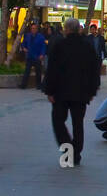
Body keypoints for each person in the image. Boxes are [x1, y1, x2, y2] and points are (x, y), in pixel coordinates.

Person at [44, 18, 100, 166]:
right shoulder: (87, 46)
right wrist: (93, 90)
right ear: (79, 29)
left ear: (66, 29)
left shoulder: (59, 46)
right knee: (78, 123)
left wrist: (49, 90)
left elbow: (52, 70)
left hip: (61, 92)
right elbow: (95, 70)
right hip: (81, 93)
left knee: (58, 121)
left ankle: (68, 149)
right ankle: (76, 152)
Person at [20, 22, 46, 89]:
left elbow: (43, 46)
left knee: (38, 72)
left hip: (37, 56)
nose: (33, 30)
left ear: (37, 29)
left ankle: (38, 85)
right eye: (32, 28)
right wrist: (24, 48)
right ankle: (23, 85)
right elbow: (23, 43)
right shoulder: (27, 36)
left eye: (34, 28)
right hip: (29, 56)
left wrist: (42, 54)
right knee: (27, 71)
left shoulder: (41, 37)